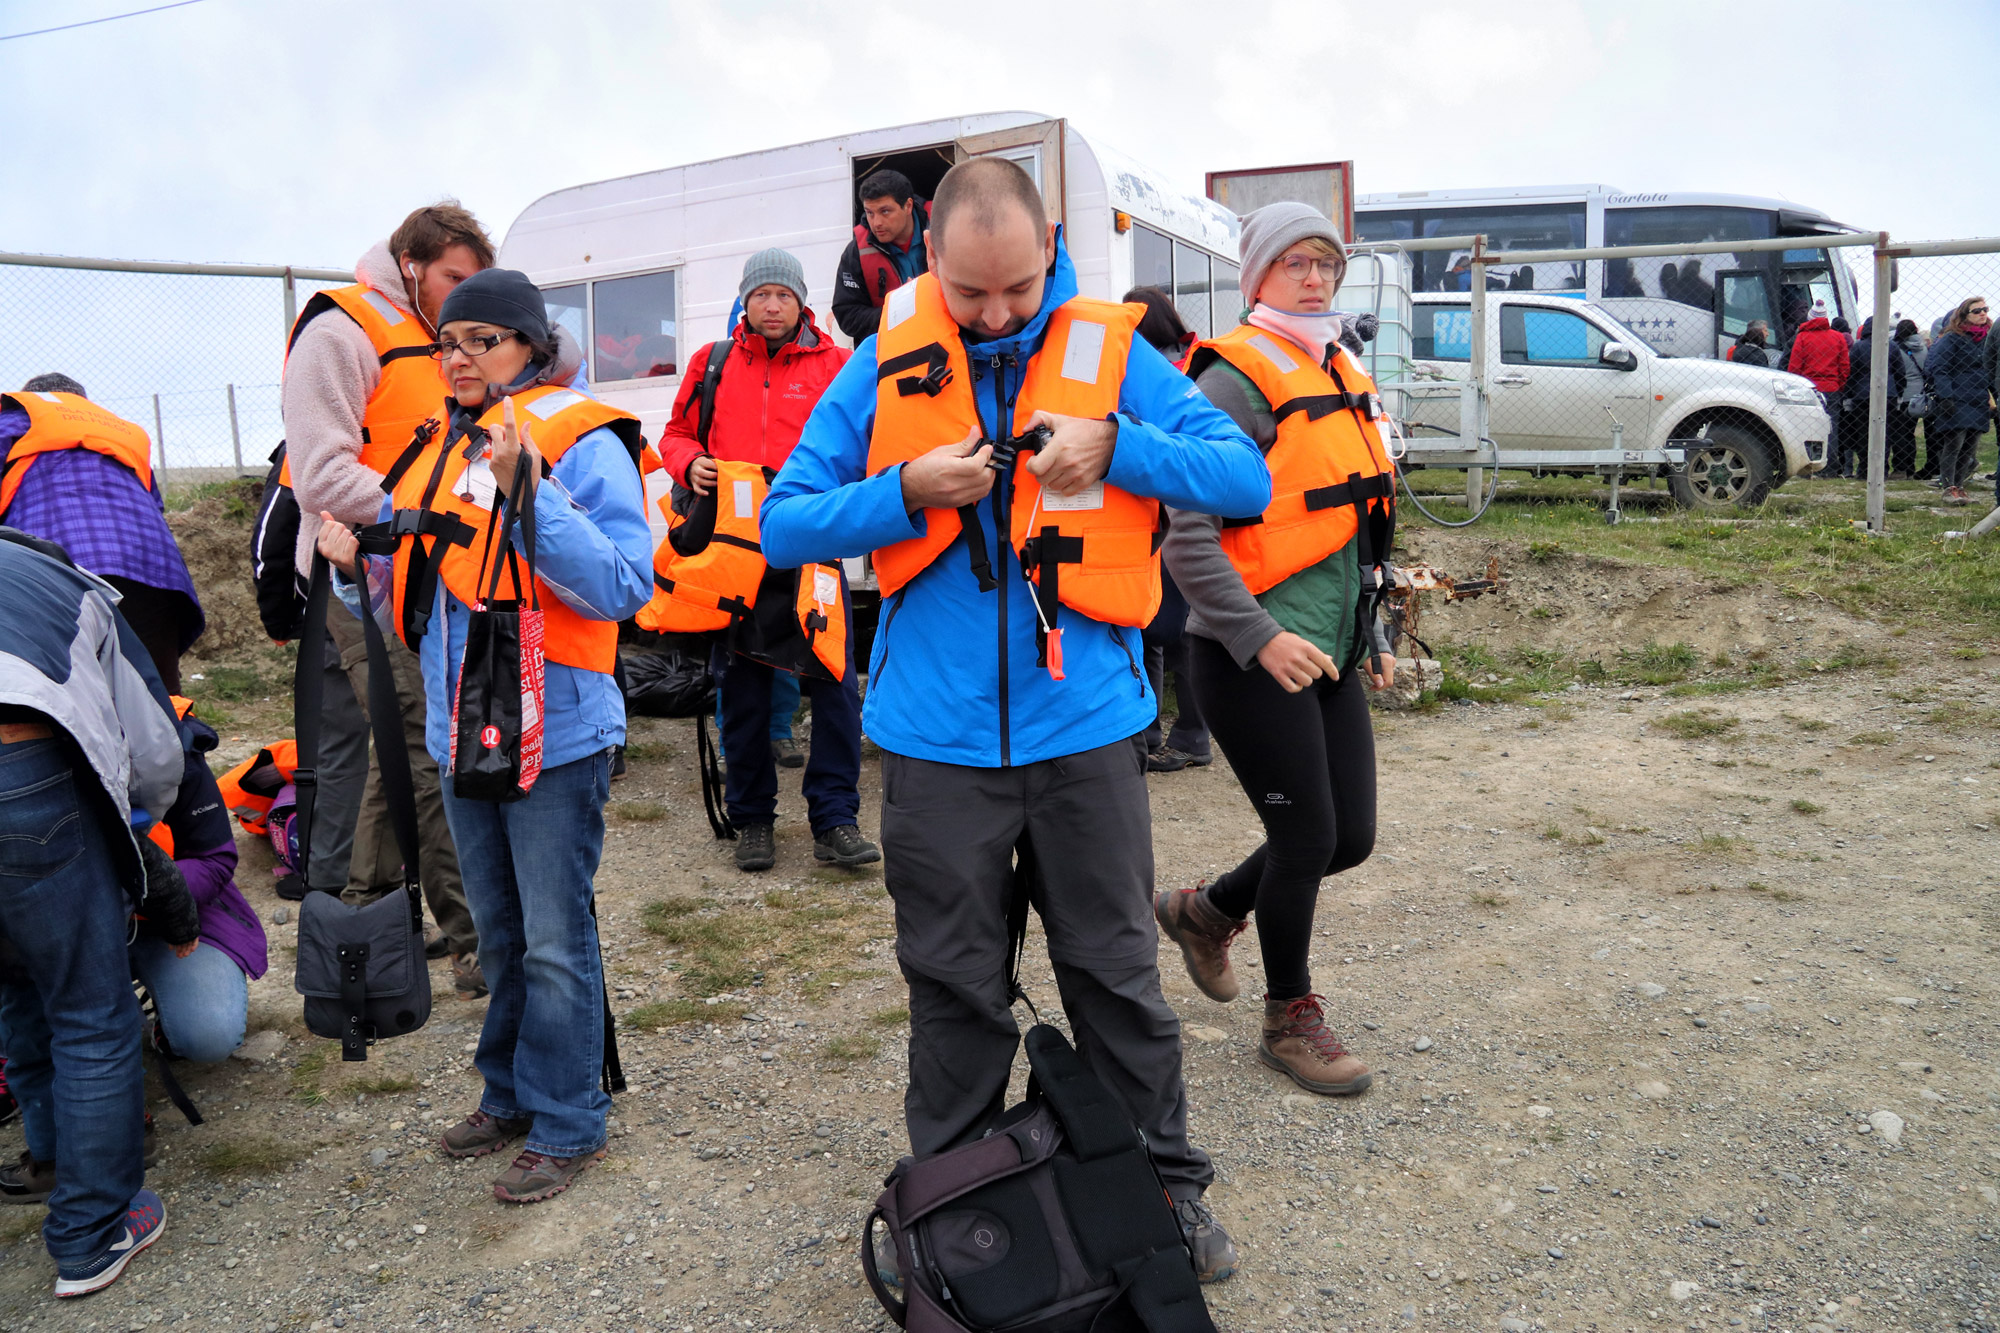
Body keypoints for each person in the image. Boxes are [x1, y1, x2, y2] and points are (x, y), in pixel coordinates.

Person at [762, 156, 1270, 1284]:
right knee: (953, 992)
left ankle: (1167, 1196)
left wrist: (1118, 446)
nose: (995, 314)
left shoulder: (1107, 351)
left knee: (1115, 979)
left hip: (1084, 732)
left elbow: (1242, 477)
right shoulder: (879, 367)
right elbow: (786, 523)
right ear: (928, 260)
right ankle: (952, 1218)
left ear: (1049, 253)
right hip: (936, 748)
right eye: (970, 291)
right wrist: (902, 494)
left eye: (1018, 288)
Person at [317, 268, 651, 1204]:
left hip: (560, 731)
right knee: (498, 933)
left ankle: (570, 1118)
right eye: (445, 341)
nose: (455, 357)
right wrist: (351, 571)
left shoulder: (585, 440)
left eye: (479, 341)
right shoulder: (436, 444)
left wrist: (530, 496)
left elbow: (628, 583)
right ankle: (510, 1093)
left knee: (552, 936)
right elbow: (410, 592)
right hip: (465, 731)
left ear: (529, 346)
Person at [1154, 203, 1393, 1107]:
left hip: (1325, 644)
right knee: (1306, 836)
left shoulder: (1336, 365)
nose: (1314, 277)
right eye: (1294, 262)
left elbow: (1348, 521)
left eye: (1326, 262)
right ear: (1255, 275)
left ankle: (1207, 908)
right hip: (1247, 649)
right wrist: (1258, 633)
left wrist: (1367, 632)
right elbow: (1185, 535)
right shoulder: (1231, 381)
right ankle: (1288, 1016)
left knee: (1351, 837)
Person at [282, 202, 490, 998]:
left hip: (428, 575)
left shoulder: (446, 344)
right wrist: (436, 516)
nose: (464, 297)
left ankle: (355, 925)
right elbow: (324, 474)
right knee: (421, 742)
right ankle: (477, 941)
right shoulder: (340, 331)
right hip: (359, 580)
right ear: (411, 263)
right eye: (453, 279)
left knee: (400, 749)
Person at [646, 250, 877, 872]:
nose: (771, 306)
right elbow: (675, 434)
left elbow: (867, 441)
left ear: (802, 302)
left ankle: (835, 818)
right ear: (745, 302)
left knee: (833, 685)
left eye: (783, 295)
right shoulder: (713, 361)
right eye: (760, 295)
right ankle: (752, 820)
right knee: (742, 688)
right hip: (734, 552)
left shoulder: (837, 364)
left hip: (813, 549)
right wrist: (685, 463)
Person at [0, 530, 180, 1296]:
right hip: (23, 771)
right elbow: (155, 749)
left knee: (15, 982)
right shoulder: (70, 585)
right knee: (88, 1009)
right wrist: (144, 822)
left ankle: (49, 1156)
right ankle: (92, 1229)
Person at [0, 377, 203, 693]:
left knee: (57, 692)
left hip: (56, 565)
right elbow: (155, 503)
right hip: (152, 568)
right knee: (156, 698)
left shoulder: (14, 421)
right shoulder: (124, 432)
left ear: (32, 398)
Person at [131, 698, 268, 1065]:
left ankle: (164, 1015)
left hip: (165, 914)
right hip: (63, 922)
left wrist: (141, 897)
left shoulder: (164, 730)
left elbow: (216, 860)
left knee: (208, 1037)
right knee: (78, 1026)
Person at [1122, 287, 1211, 771]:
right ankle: (1156, 733)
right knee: (1162, 632)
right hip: (1181, 518)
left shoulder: (1155, 375)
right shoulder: (1190, 362)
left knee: (1172, 633)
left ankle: (1189, 734)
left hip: (1172, 523)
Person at [831, 169, 930, 342]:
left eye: (885, 211)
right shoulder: (855, 252)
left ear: (908, 206)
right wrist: (898, 309)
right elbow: (847, 315)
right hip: (895, 351)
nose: (876, 222)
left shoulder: (945, 230)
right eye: (870, 213)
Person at [1923, 296, 1994, 503]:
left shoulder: (1986, 339)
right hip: (1957, 398)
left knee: (1970, 447)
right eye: (1977, 310)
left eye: (1985, 309)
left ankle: (1960, 487)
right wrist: (1946, 397)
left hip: (1978, 398)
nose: (1982, 313)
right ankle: (1948, 487)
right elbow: (1940, 369)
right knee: (1954, 443)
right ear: (1964, 315)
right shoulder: (1952, 338)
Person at [1835, 319, 1908, 482]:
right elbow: (1899, 372)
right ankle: (1881, 469)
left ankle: (1864, 469)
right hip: (1887, 394)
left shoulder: (1858, 347)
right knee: (1884, 433)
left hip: (1863, 396)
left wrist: (1848, 395)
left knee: (1863, 433)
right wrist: (1898, 391)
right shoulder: (1891, 346)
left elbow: (1851, 373)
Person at [1788, 301, 1851, 475]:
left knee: (1807, 427)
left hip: (1808, 389)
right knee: (1831, 428)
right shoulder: (1838, 337)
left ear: (1810, 318)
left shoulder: (1802, 337)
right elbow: (1844, 367)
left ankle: (1809, 467)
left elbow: (1794, 367)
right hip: (1832, 388)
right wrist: (1839, 385)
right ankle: (1829, 467)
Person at [1889, 319, 1927, 478]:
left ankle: (1900, 468)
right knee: (1909, 433)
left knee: (1899, 433)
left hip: (1903, 395)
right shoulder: (1924, 348)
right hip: (1919, 395)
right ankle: (1910, 468)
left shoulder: (1896, 349)